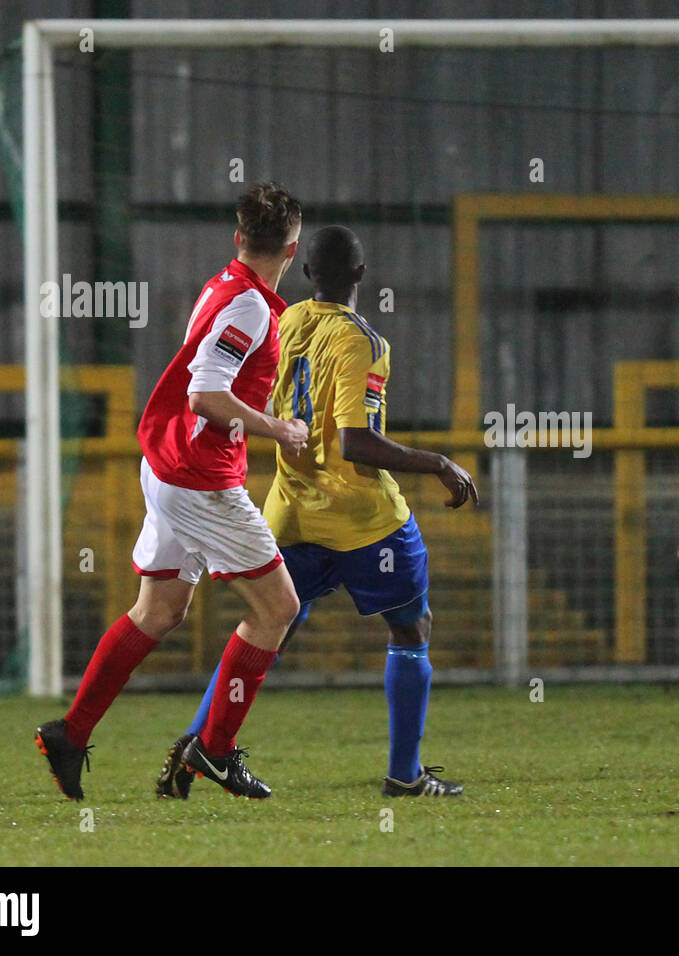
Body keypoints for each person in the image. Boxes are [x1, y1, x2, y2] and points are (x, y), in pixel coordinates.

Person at [155, 225, 478, 800]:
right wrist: (438, 464)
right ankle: (405, 774)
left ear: (307, 273)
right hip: (361, 518)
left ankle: (194, 745)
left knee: (266, 630)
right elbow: (356, 442)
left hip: (291, 509)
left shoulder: (286, 320)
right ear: (360, 274)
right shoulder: (363, 342)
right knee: (411, 627)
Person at [36, 182, 306, 800]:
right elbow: (205, 396)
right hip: (199, 481)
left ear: (240, 240)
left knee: (158, 612)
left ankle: (69, 734)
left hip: (165, 463)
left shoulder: (225, 286)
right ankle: (213, 751)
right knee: (278, 609)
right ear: (293, 247)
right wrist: (278, 429)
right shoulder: (251, 309)